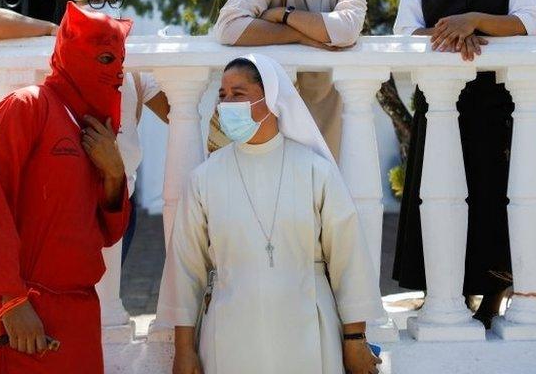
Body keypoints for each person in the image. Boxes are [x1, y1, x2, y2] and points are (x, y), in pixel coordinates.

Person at [391, 0, 536, 328]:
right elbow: (406, 31)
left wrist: (474, 19)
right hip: (442, 104)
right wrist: (452, 31)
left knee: (492, 191)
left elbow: (527, 19)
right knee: (438, 192)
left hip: (497, 102)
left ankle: (496, 288)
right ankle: (446, 289)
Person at [158, 53, 385, 374]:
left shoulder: (315, 170)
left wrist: (355, 339)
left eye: (239, 94)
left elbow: (349, 260)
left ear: (272, 98)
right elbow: (185, 269)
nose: (227, 104)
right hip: (229, 338)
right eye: (222, 95)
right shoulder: (203, 179)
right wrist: (184, 351)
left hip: (311, 336)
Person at [0, 1, 131, 373]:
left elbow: (109, 233)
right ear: (73, 53)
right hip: (28, 311)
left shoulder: (92, 128)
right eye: (106, 59)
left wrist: (114, 175)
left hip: (81, 313)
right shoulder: (27, 106)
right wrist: (11, 302)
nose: (117, 73)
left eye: (120, 62)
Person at [0, 0, 169, 262]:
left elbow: (178, 111)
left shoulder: (131, 65)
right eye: (94, 0)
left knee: (106, 300)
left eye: (112, 0)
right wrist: (58, 30)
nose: (105, 8)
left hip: (116, 203)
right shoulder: (54, 54)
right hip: (57, 209)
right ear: (69, 7)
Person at [213, 0, 368, 158]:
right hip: (274, 97)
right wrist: (301, 34)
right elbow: (228, 28)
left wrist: (283, 15)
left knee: (323, 172)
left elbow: (346, 31)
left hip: (328, 96)